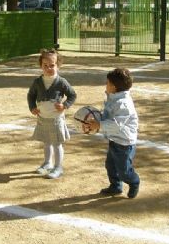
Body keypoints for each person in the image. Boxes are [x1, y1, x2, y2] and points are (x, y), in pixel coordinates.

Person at [85, 68, 140, 199]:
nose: (106, 85)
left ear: (114, 87)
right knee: (110, 166)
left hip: (125, 143)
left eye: (107, 83)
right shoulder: (113, 97)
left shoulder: (123, 104)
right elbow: (108, 114)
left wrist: (99, 125)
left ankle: (134, 181)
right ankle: (116, 186)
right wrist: (97, 119)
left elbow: (116, 124)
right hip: (115, 139)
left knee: (124, 171)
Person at [27, 48, 77, 179]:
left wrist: (65, 105)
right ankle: (47, 163)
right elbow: (31, 95)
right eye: (45, 65)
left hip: (56, 119)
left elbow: (72, 95)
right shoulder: (37, 82)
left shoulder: (61, 82)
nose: (49, 68)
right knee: (46, 142)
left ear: (58, 65)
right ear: (41, 66)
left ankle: (58, 167)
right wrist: (32, 107)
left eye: (52, 65)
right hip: (42, 118)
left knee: (56, 143)